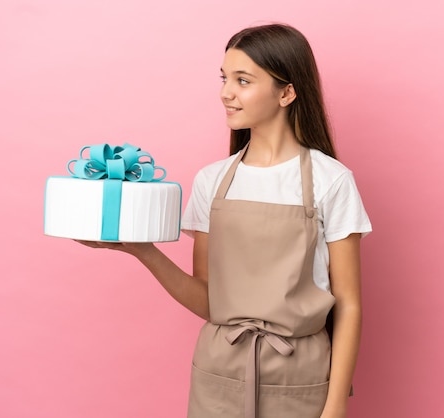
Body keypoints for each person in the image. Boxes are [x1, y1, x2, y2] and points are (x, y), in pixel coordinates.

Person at [79, 23, 371, 418]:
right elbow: (208, 301)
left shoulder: (331, 181)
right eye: (224, 78)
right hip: (219, 372)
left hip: (300, 375)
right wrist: (143, 252)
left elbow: (349, 304)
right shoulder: (212, 180)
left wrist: (335, 407)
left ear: (286, 92)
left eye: (243, 80)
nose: (225, 93)